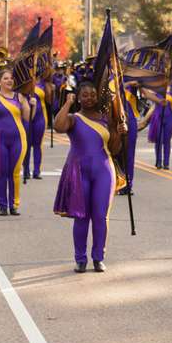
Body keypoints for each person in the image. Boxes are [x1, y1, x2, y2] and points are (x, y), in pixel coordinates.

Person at [52, 83, 118, 272]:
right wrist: (67, 104)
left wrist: (119, 132)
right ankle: (80, 259)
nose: (89, 98)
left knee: (101, 216)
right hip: (78, 171)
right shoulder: (73, 118)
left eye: (93, 95)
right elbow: (58, 126)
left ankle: (98, 257)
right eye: (85, 95)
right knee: (81, 217)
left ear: (97, 97)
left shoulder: (106, 119)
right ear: (79, 98)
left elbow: (115, 149)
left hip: (104, 171)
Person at [0, 68, 31, 215]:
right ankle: (3, 205)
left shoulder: (20, 97)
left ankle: (14, 205)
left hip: (18, 138)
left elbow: (28, 118)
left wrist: (29, 103)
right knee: (1, 172)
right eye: (5, 78)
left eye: (11, 78)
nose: (9, 81)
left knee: (14, 172)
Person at [22, 78, 48, 181]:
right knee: (26, 145)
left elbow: (50, 100)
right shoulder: (22, 83)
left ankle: (37, 171)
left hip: (39, 118)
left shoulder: (43, 83)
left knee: (37, 145)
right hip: (26, 118)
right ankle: (26, 170)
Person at [147, 87, 172, 170]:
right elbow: (147, 95)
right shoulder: (156, 88)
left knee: (167, 141)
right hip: (158, 116)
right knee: (159, 140)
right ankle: (158, 162)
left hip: (169, 117)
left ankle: (166, 163)